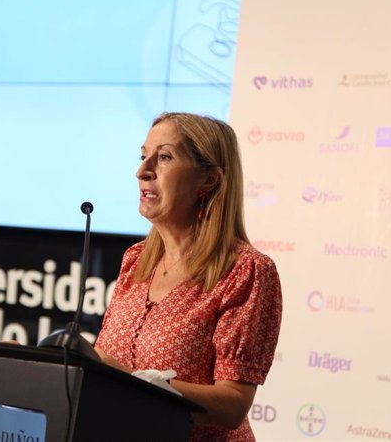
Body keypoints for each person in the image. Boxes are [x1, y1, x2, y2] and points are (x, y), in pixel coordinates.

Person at [94, 112, 282, 441]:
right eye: (143, 156)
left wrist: (130, 380)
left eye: (164, 157)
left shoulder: (245, 271)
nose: (142, 171)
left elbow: (233, 405)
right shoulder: (135, 260)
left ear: (208, 179)